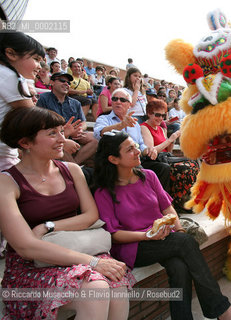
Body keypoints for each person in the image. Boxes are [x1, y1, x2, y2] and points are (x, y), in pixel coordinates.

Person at [93, 130, 231, 320]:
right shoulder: (104, 192)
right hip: (133, 246)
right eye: (130, 149)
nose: (137, 151)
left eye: (135, 146)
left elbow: (167, 208)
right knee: (184, 243)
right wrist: (147, 235)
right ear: (114, 159)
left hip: (163, 237)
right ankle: (221, 310)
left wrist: (179, 230)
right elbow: (115, 234)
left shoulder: (149, 176)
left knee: (179, 267)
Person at [0, 107, 134, 319]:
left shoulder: (72, 170)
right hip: (33, 267)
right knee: (96, 289)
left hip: (77, 249)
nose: (62, 138)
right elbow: (26, 247)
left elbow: (90, 216)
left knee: (117, 285)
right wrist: (94, 263)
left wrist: (48, 226)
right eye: (52, 133)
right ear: (25, 143)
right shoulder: (6, 182)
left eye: (62, 131)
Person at [94, 88, 171, 192]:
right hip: (116, 160)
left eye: (122, 100)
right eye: (115, 99)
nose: (118, 102)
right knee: (139, 171)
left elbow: (140, 143)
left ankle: (158, 200)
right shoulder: (103, 119)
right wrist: (121, 125)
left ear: (129, 104)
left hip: (136, 157)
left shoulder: (135, 124)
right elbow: (100, 133)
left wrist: (148, 150)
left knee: (163, 168)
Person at [141, 99, 199, 211]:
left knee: (192, 163)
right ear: (149, 113)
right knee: (184, 168)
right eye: (157, 115)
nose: (161, 118)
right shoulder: (144, 127)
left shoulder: (161, 128)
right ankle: (172, 204)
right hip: (153, 160)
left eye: (163, 115)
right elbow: (151, 151)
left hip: (165, 158)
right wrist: (170, 140)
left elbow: (168, 151)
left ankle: (185, 202)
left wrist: (172, 141)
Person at [0, 32, 44, 171]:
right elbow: (32, 117)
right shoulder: (10, 76)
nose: (39, 66)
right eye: (36, 59)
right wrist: (63, 138)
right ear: (11, 54)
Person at [37, 72, 98, 166]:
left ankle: (75, 165)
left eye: (68, 83)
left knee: (96, 138)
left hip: (74, 133)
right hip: (54, 133)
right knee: (59, 140)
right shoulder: (43, 99)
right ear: (52, 82)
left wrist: (79, 129)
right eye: (62, 81)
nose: (66, 84)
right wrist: (64, 132)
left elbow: (84, 122)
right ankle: (73, 169)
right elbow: (41, 124)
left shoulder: (75, 103)